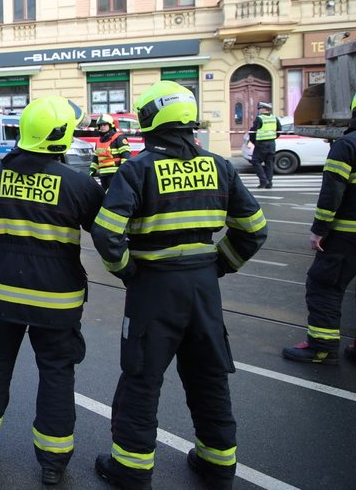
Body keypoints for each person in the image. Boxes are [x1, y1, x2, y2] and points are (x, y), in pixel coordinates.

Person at [91, 81, 267, 490]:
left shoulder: (137, 169)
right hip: (204, 288)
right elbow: (254, 229)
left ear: (150, 120)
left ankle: (131, 470)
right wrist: (219, 264)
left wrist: (127, 270)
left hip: (154, 289)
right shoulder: (219, 165)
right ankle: (218, 463)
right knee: (208, 376)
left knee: (141, 377)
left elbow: (106, 232)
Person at [0, 97, 104, 485]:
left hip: (3, 296)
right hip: (58, 302)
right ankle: (53, 463)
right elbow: (107, 234)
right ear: (61, 137)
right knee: (57, 374)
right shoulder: (79, 184)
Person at [282, 88, 356, 366]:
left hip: (348, 236)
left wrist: (320, 229)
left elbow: (332, 192)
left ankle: (322, 348)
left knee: (324, 286)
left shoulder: (349, 144)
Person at [90, 113, 131, 191]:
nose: (102, 127)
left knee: (115, 194)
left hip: (115, 174)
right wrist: (92, 169)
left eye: (104, 125)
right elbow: (96, 158)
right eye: (100, 125)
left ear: (111, 125)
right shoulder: (99, 141)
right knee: (105, 195)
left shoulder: (119, 138)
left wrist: (122, 170)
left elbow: (126, 156)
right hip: (103, 175)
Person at [248, 101, 277, 189]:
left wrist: (254, 142)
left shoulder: (259, 119)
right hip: (272, 144)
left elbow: (252, 132)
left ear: (265, 109)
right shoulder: (274, 118)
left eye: (260, 108)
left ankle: (263, 180)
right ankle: (269, 183)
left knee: (255, 161)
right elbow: (279, 130)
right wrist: (272, 138)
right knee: (269, 163)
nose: (259, 110)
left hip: (261, 144)